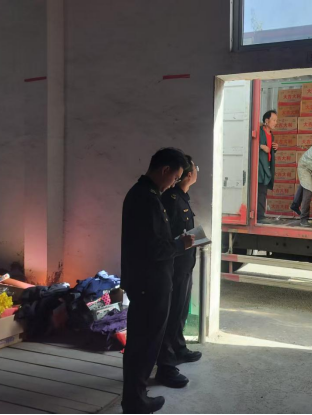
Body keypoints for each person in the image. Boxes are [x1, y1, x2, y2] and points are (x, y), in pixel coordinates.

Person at [121, 148, 195, 415]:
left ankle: (135, 397)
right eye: (174, 177)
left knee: (143, 341)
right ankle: (135, 401)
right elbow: (153, 249)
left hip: (148, 281)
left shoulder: (145, 194)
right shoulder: (147, 199)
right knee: (144, 343)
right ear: (164, 170)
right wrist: (180, 244)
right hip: (149, 283)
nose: (174, 183)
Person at [158, 155, 202, 389]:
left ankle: (178, 348)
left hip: (185, 264)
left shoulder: (182, 197)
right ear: (188, 175)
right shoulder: (171, 199)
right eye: (196, 169)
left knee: (181, 311)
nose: (197, 172)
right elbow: (168, 235)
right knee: (172, 313)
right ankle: (166, 363)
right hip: (175, 266)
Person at [257, 110, 279, 223]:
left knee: (263, 191)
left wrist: (275, 148)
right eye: (273, 120)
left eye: (276, 120)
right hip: (259, 166)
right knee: (260, 190)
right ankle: (259, 216)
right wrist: (261, 146)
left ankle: (260, 215)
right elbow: (250, 143)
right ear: (266, 120)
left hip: (267, 166)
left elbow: (270, 150)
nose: (275, 123)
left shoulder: (271, 135)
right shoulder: (259, 131)